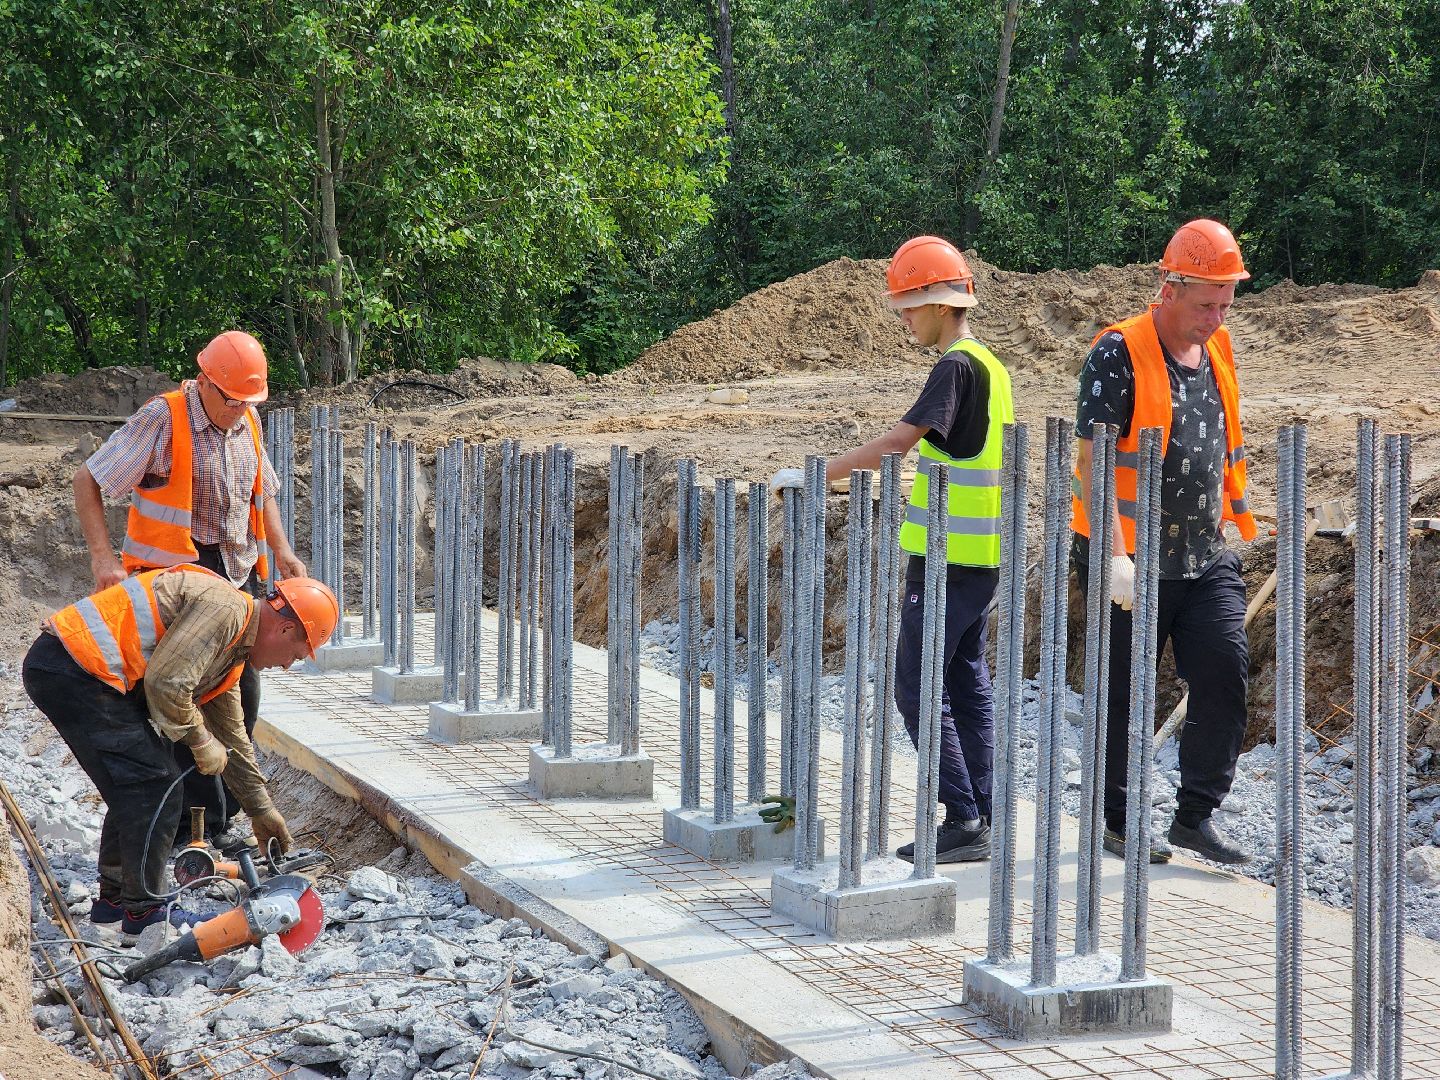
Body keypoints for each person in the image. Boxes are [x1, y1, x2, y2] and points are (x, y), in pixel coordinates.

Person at [772, 235, 1013, 862]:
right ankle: (982, 812)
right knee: (963, 679)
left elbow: (900, 442)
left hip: (947, 562)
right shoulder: (991, 365)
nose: (903, 318)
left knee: (914, 684)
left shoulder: (956, 366)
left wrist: (819, 471)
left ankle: (963, 817)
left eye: (909, 306)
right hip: (979, 558)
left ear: (939, 302)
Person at [1071, 218, 1258, 866]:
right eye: (1205, 302)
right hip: (1131, 557)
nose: (1214, 316)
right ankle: (1118, 823)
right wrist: (1114, 556)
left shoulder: (1220, 347)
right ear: (1169, 285)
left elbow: (1222, 440)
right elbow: (1092, 463)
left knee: (1225, 673)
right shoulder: (1119, 351)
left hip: (1203, 554)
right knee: (1125, 694)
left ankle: (1194, 816)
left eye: (1224, 303)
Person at [72, 330, 306, 838]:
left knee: (242, 698)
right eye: (232, 400)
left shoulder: (248, 421)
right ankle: (189, 825)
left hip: (235, 574)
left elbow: (261, 493)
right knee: (180, 697)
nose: (239, 409)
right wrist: (101, 558)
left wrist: (281, 549)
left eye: (249, 401)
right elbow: (88, 479)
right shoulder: (164, 417)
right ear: (204, 380)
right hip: (174, 579)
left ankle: (225, 820)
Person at [20, 567, 338, 934]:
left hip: (78, 672)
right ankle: (144, 912)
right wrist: (200, 741)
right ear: (284, 630)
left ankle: (115, 902)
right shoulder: (225, 610)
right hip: (73, 669)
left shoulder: (232, 650)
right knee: (154, 785)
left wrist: (260, 809)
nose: (286, 665)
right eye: (295, 656)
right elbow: (167, 685)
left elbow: (233, 737)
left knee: (138, 785)